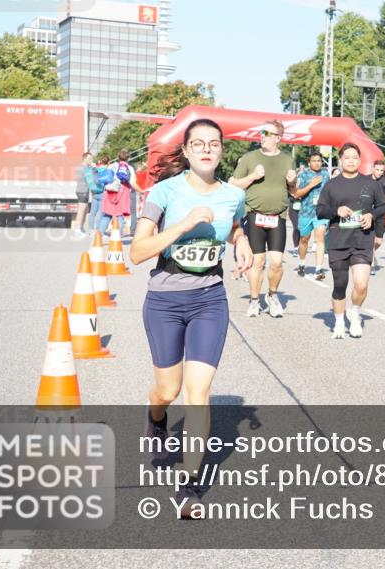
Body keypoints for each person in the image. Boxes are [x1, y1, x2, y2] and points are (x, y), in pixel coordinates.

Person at [129, 118, 252, 516]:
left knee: (196, 394)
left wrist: (242, 242)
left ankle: (187, 487)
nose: (205, 149)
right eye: (197, 143)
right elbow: (137, 252)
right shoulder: (164, 191)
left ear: (221, 150)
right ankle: (156, 416)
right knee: (167, 390)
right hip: (165, 300)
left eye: (213, 143)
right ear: (184, 151)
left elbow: (233, 225)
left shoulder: (233, 195)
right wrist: (184, 224)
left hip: (209, 299)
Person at [315, 143, 385, 339]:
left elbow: (383, 206)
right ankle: (339, 322)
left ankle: (354, 312)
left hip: (362, 239)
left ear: (360, 160)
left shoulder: (370, 183)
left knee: (361, 284)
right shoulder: (331, 185)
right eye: (347, 157)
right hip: (338, 240)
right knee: (340, 285)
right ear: (340, 160)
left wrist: (372, 215)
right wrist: (335, 211)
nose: (351, 160)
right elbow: (320, 210)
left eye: (355, 157)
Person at [229, 120, 297, 318]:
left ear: (278, 138)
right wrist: (251, 177)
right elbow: (233, 184)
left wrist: (292, 183)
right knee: (257, 261)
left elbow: (292, 191)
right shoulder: (250, 158)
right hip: (254, 215)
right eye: (261, 132)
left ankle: (272, 295)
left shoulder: (287, 160)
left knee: (276, 262)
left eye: (267, 133)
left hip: (278, 217)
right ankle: (254, 300)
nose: (263, 135)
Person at [292, 152, 330, 280]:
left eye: (319, 160)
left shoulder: (325, 174)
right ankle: (302, 264)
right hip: (306, 212)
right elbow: (296, 194)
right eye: (314, 161)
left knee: (320, 239)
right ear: (309, 163)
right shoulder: (303, 175)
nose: (317, 163)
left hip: (321, 213)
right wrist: (311, 185)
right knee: (304, 240)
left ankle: (318, 269)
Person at [97, 150, 137, 236]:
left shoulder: (111, 166)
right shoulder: (129, 168)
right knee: (120, 216)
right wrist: (141, 190)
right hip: (123, 192)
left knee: (107, 215)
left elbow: (105, 178)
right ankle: (117, 237)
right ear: (128, 158)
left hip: (110, 192)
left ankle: (99, 236)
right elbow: (133, 182)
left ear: (118, 157)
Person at [369, 160, 385, 274]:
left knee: (378, 241)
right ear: (373, 168)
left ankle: (371, 252)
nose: (379, 172)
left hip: (382, 213)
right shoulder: (366, 180)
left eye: (381, 170)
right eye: (377, 170)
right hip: (368, 213)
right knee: (369, 238)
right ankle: (371, 262)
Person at [72, 152, 93, 236]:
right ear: (84, 158)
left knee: (85, 210)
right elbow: (90, 179)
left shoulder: (83, 167)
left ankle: (81, 227)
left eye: (91, 159)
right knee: (81, 210)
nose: (91, 160)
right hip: (82, 191)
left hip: (82, 190)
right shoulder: (84, 168)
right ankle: (78, 229)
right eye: (90, 159)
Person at [89, 155, 110, 232]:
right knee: (100, 213)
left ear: (101, 161)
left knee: (92, 212)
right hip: (102, 193)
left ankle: (91, 229)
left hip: (94, 192)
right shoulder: (107, 171)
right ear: (108, 162)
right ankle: (97, 230)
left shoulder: (95, 169)